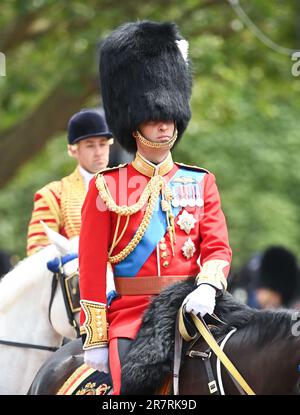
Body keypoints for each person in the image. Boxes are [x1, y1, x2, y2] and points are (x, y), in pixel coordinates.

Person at [79, 21, 232, 394]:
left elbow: (216, 247)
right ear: (133, 125)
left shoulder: (200, 182)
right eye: (153, 119)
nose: (164, 127)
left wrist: (209, 286)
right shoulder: (106, 187)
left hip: (194, 307)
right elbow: (92, 267)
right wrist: (97, 337)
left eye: (169, 118)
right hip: (133, 316)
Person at [27, 109, 113, 256]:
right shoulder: (52, 195)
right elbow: (38, 255)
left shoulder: (128, 188)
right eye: (90, 145)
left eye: (103, 144)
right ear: (73, 150)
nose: (99, 152)